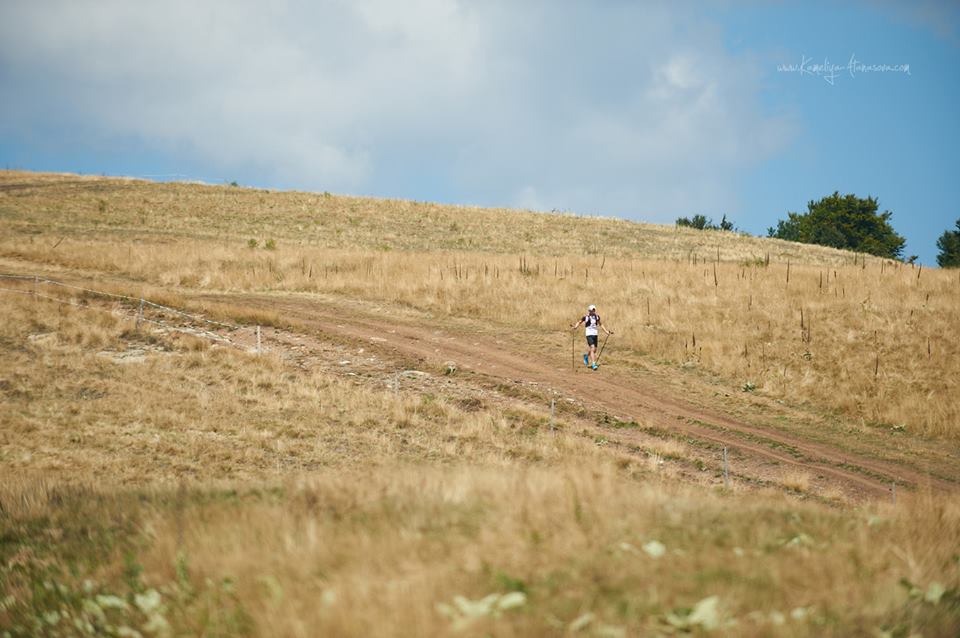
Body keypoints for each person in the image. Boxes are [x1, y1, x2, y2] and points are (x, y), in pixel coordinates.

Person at [571, 304, 612, 370]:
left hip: (595, 334)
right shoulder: (586, 317)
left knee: (594, 350)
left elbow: (600, 324)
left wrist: (606, 331)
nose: (593, 311)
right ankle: (593, 364)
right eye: (591, 310)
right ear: (589, 310)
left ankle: (586, 356)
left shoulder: (597, 317)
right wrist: (575, 327)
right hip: (589, 334)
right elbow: (579, 322)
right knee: (592, 348)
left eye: (594, 310)